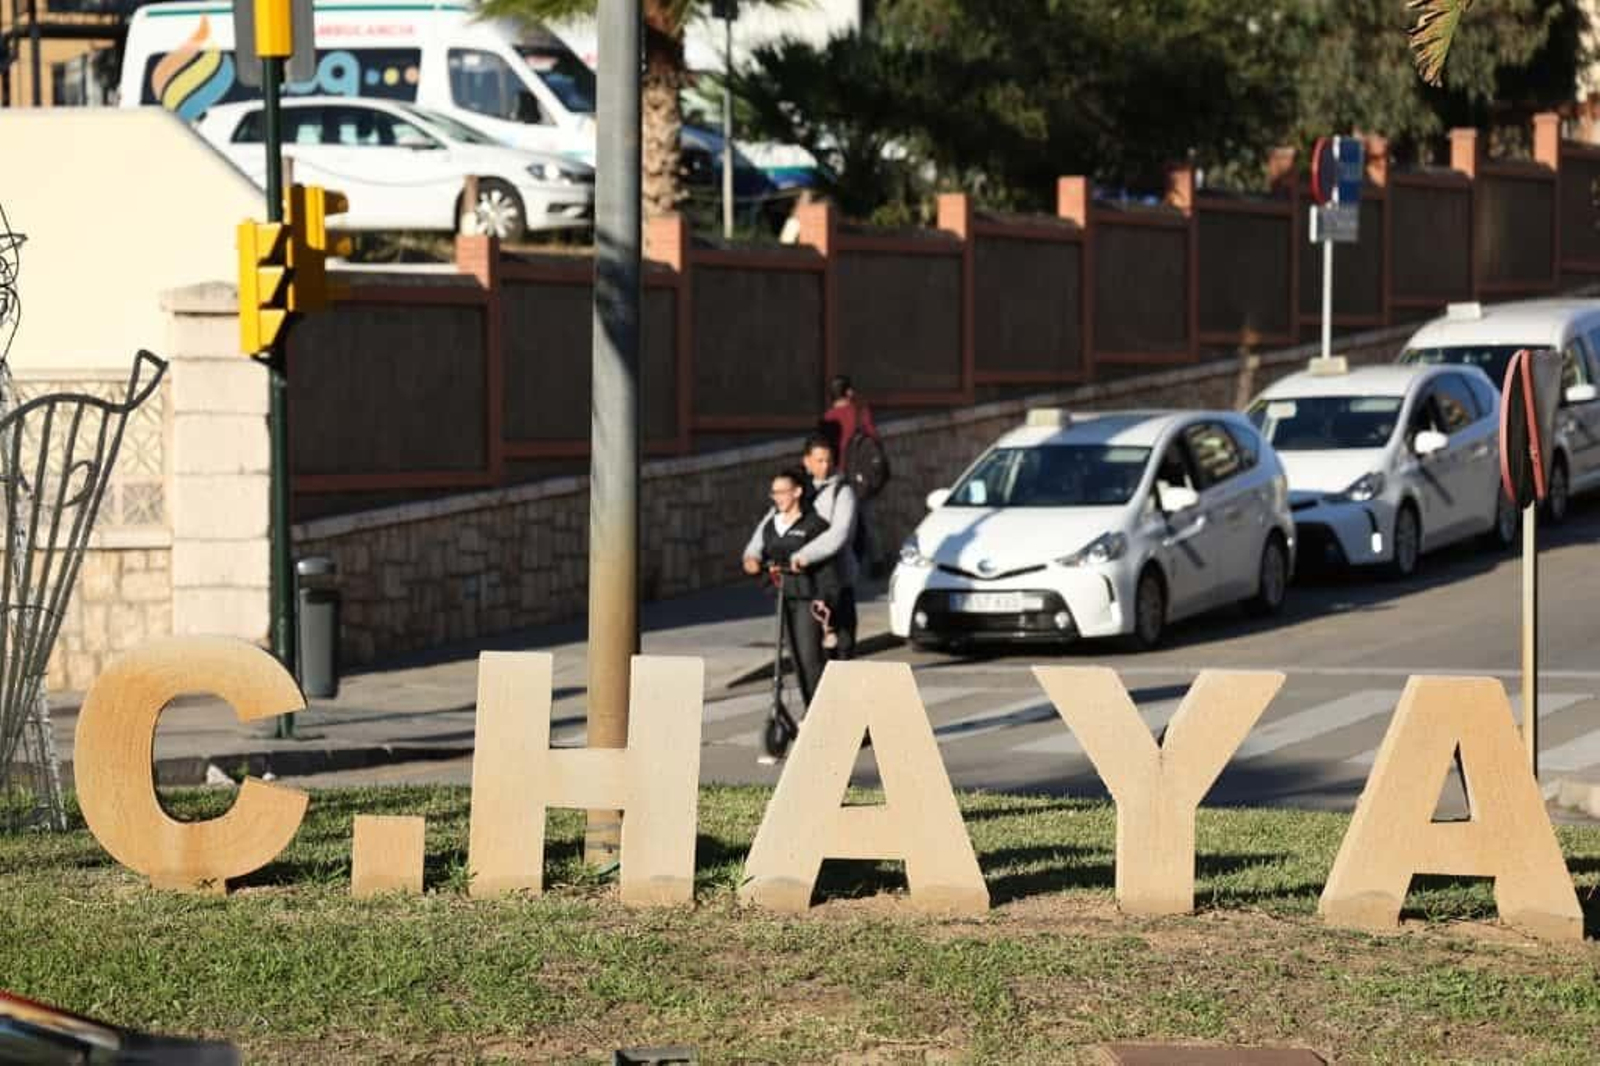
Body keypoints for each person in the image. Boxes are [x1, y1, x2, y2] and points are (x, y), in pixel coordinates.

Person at [741, 467, 840, 712]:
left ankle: (827, 713)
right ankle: (811, 711)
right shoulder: (771, 525)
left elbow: (827, 565)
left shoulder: (814, 524)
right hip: (784, 596)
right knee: (795, 657)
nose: (777, 498)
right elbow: (758, 552)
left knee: (810, 658)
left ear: (797, 492)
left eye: (782, 492)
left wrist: (824, 598)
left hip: (809, 597)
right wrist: (752, 562)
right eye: (774, 493)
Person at [792, 434, 858, 660]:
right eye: (819, 460)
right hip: (807, 583)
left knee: (842, 647)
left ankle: (843, 692)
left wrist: (805, 554)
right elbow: (773, 519)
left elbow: (839, 533)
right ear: (807, 461)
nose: (825, 465)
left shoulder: (842, 491)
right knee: (813, 653)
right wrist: (753, 552)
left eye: (828, 460)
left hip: (838, 579)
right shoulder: (797, 490)